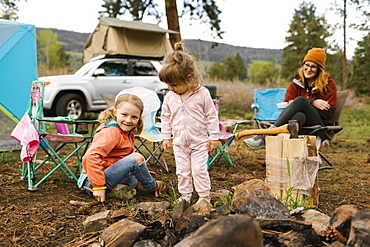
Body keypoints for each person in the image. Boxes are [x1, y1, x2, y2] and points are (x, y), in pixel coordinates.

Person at [159, 41, 219, 205]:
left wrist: (214, 137)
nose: (170, 88)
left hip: (199, 142)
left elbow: (212, 116)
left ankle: (204, 197)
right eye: (168, 85)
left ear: (189, 78)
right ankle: (185, 196)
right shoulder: (170, 97)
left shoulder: (202, 94)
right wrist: (166, 137)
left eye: (174, 85)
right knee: (182, 171)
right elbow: (165, 117)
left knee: (199, 170)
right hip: (179, 143)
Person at [78, 94, 166, 202]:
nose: (128, 120)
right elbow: (90, 157)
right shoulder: (112, 131)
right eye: (124, 114)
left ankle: (117, 190)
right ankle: (152, 186)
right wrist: (98, 187)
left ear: (139, 118)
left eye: (134, 117)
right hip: (92, 182)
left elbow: (120, 157)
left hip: (106, 175)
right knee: (137, 158)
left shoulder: (126, 131)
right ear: (115, 112)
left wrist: (140, 172)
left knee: (132, 180)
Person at [244, 47, 337, 149]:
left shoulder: (328, 84)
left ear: (319, 69)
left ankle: (266, 134)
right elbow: (288, 105)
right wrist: (312, 102)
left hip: (319, 123)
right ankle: (287, 154)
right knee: (299, 116)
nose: (309, 69)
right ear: (303, 65)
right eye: (307, 64)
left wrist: (307, 103)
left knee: (300, 100)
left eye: (313, 66)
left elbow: (328, 114)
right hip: (301, 121)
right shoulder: (296, 83)